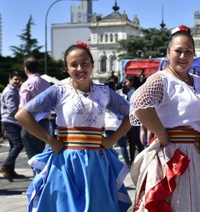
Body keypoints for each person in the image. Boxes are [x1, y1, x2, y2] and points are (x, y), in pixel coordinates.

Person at [14, 42, 132, 211]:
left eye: (84, 63)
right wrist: (50, 140)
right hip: (65, 160)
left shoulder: (104, 92)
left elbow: (133, 114)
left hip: (97, 162)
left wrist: (112, 139)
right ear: (67, 69)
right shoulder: (59, 91)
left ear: (92, 65)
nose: (80, 68)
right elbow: (22, 115)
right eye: (74, 65)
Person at [129, 25, 200, 211]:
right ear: (168, 52)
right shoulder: (162, 79)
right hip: (174, 155)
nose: (183, 56)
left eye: (188, 52)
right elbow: (138, 102)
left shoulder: (199, 82)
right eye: (178, 51)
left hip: (198, 151)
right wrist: (161, 134)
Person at [19, 57, 51, 160]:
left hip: (31, 123)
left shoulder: (26, 84)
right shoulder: (46, 83)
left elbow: (22, 108)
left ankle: (37, 176)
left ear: (25, 68)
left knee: (34, 159)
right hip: (45, 121)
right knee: (41, 156)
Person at [0, 71, 25, 182]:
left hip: (12, 121)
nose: (17, 82)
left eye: (19, 79)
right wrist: (22, 119)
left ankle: (10, 169)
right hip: (11, 122)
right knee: (18, 144)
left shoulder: (15, 90)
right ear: (10, 79)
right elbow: (12, 109)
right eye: (15, 79)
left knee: (13, 146)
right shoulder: (9, 92)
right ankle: (6, 166)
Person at [104, 80, 130, 166]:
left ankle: (110, 162)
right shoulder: (119, 96)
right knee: (122, 144)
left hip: (107, 124)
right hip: (117, 123)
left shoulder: (103, 97)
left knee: (109, 145)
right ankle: (127, 162)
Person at [124, 75, 144, 164]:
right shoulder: (140, 91)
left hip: (132, 119)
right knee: (138, 140)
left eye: (127, 81)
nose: (126, 83)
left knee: (132, 141)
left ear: (131, 82)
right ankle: (142, 158)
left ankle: (132, 160)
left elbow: (129, 106)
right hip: (140, 118)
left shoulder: (131, 92)